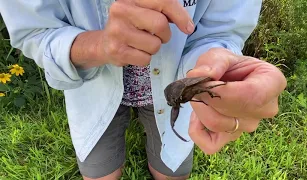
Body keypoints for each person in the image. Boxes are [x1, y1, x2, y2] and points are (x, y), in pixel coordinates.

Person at [0, 0, 287, 179]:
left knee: (172, 171)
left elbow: (220, 31)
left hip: (172, 86)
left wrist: (215, 65)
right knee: (100, 174)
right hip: (93, 85)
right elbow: (33, 31)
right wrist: (100, 45)